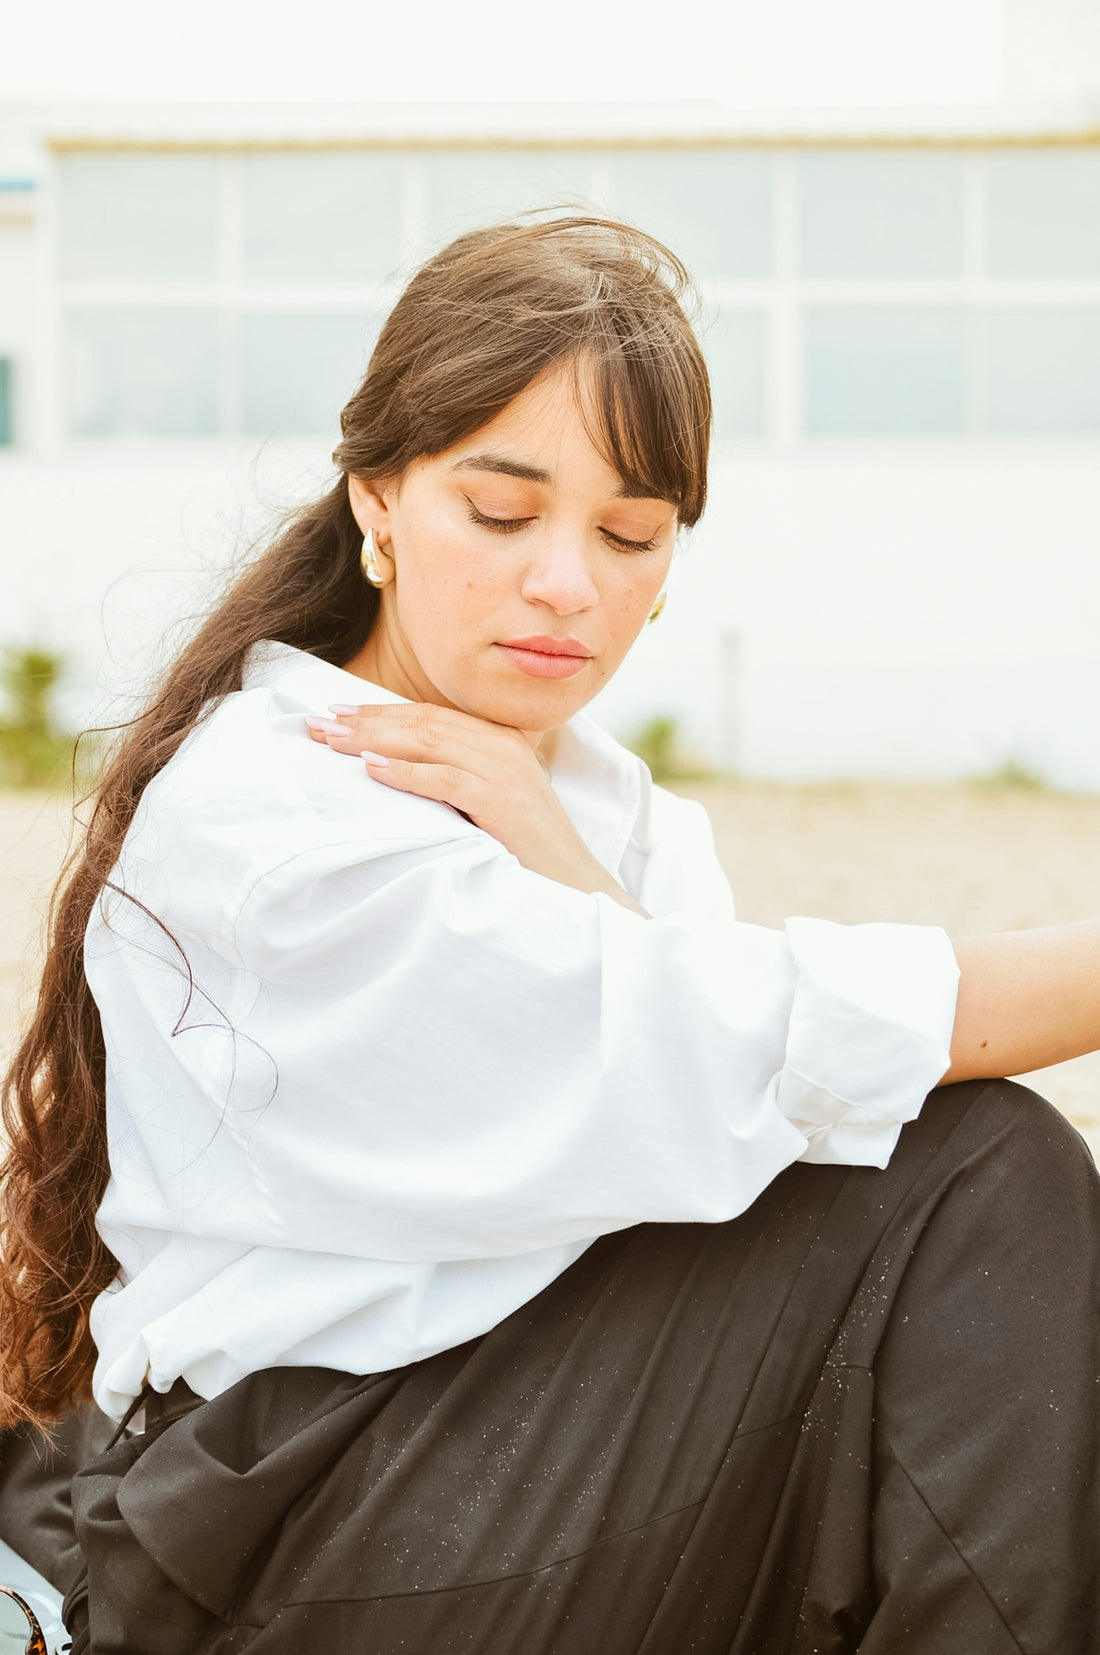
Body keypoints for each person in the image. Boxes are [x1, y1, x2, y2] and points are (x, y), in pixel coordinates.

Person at [0, 214, 1097, 1654]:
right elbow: (742, 1047)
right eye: (502, 513)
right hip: (273, 1529)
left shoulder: (593, 804)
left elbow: (718, 1155)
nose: (568, 583)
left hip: (486, 1447)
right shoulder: (274, 807)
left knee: (941, 1221)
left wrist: (581, 869)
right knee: (981, 1168)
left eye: (629, 533)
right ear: (376, 502)